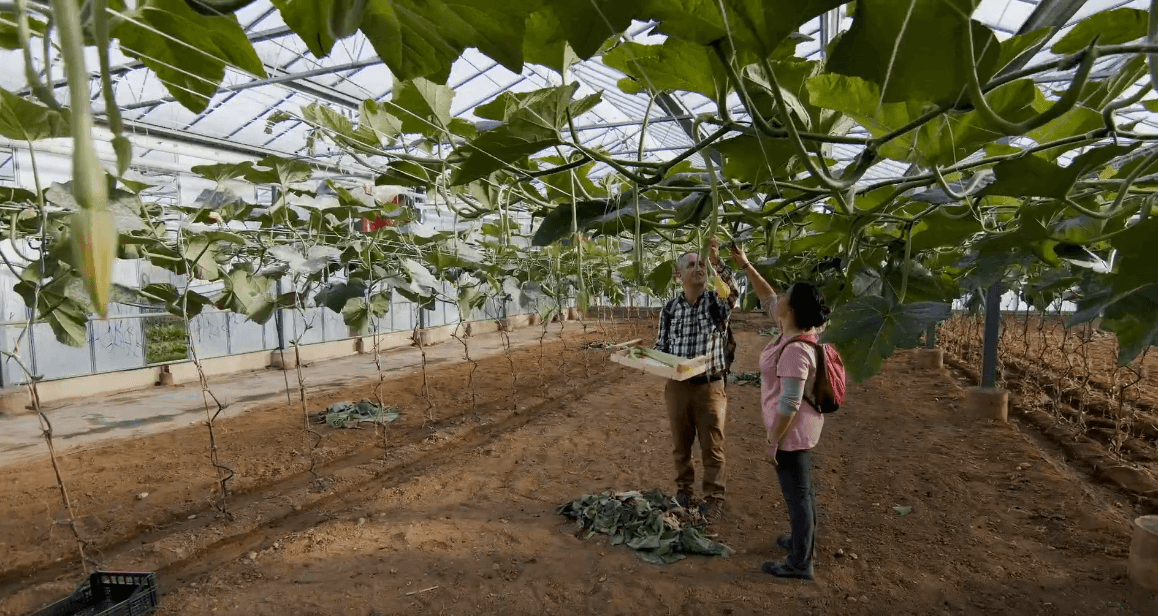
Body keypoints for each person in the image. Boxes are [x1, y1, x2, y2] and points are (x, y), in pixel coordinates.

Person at [730, 243, 830, 581]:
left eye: (787, 295)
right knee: (802, 491)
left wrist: (773, 440)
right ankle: (801, 541)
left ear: (792, 311)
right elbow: (767, 297)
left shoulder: (795, 351)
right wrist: (745, 266)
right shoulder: (795, 330)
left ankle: (800, 562)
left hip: (792, 432)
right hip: (801, 428)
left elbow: (789, 404)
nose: (779, 297)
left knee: (798, 495)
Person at [652, 237, 738, 522]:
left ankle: (714, 498)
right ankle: (684, 492)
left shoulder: (716, 303)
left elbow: (734, 292)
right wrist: (647, 357)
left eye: (701, 264)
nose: (697, 268)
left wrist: (716, 262)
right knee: (681, 444)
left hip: (709, 386)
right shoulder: (670, 308)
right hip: (677, 386)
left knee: (712, 446)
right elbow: (662, 345)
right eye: (691, 264)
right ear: (679, 275)